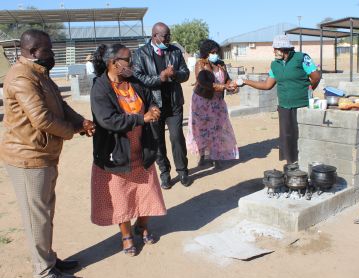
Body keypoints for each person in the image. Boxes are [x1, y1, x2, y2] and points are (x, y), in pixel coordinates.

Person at [0, 29, 95, 278]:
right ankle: (43, 271)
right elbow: (41, 118)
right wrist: (75, 130)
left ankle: (49, 259)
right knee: (37, 216)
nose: (52, 54)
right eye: (48, 50)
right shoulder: (21, 77)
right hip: (27, 157)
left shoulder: (39, 74)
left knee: (44, 212)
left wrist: (82, 121)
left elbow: (60, 106)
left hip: (42, 155)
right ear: (32, 52)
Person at [90, 44, 166, 257]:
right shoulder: (100, 87)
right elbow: (108, 120)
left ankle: (141, 226)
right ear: (114, 63)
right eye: (128, 60)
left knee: (147, 191)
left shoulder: (134, 81)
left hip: (141, 147)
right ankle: (126, 235)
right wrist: (142, 118)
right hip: (117, 151)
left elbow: (150, 100)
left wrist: (153, 108)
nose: (132, 64)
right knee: (121, 196)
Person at [235, 35, 321, 164]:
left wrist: (308, 90)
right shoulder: (275, 65)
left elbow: (316, 77)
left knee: (304, 135)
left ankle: (308, 163)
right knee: (288, 137)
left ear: (284, 49)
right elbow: (267, 85)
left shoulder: (302, 58)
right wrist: (245, 82)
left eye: (275, 49)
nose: (273, 52)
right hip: (284, 106)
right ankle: (292, 165)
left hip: (302, 105)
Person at [133, 22, 191, 189]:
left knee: (176, 137)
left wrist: (175, 74)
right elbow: (138, 78)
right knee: (157, 141)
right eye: (165, 36)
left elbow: (185, 73)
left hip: (174, 103)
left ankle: (182, 171)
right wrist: (161, 77)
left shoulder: (175, 51)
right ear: (154, 36)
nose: (168, 39)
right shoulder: (141, 53)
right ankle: (165, 173)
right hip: (153, 105)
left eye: (169, 36)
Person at [186, 39, 239, 168]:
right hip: (202, 102)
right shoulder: (200, 64)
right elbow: (204, 82)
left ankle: (216, 156)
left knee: (217, 128)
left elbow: (227, 79)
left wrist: (233, 85)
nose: (215, 54)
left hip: (217, 102)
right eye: (212, 52)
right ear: (206, 53)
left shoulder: (221, 64)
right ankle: (202, 156)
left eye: (216, 52)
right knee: (202, 129)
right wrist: (223, 86)